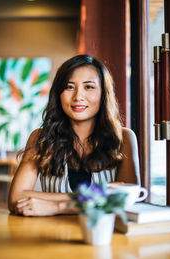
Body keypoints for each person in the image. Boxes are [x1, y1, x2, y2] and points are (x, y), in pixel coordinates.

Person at [8, 54, 140, 216]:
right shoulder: (40, 137)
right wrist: (86, 199)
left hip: (104, 237)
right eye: (70, 87)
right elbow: (15, 198)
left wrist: (59, 206)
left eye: (89, 87)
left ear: (103, 94)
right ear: (59, 93)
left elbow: (125, 201)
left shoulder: (124, 138)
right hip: (50, 235)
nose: (78, 96)